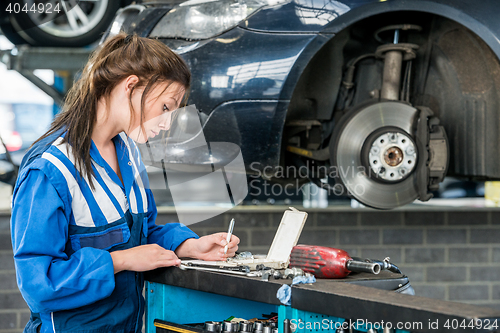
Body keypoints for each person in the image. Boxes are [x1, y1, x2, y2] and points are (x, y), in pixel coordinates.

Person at [10, 33, 239, 333]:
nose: (167, 124)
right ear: (130, 86)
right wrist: (119, 261)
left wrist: (188, 245)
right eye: (166, 108)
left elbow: (142, 235)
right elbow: (39, 283)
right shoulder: (50, 171)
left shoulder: (129, 153)